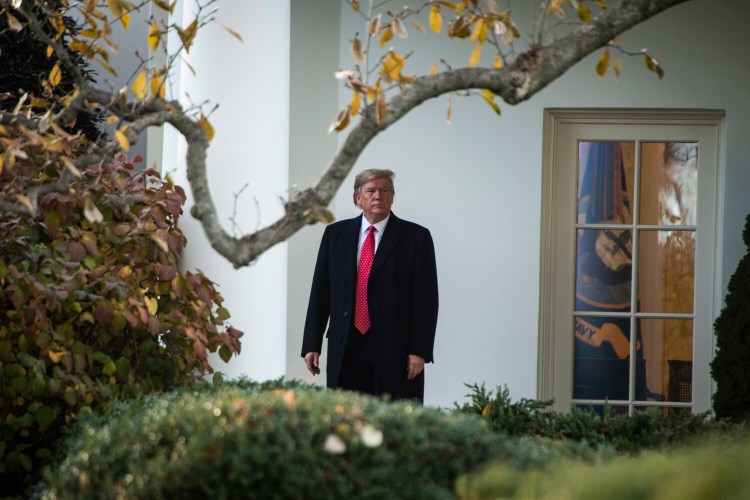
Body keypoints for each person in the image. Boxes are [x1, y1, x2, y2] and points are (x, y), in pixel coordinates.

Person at [301, 169, 439, 402]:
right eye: (371, 191)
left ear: (392, 197)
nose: (378, 196)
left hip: (395, 347)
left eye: (385, 190)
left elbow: (426, 300)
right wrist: (311, 343)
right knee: (345, 418)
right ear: (358, 198)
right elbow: (321, 292)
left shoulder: (416, 238)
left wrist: (419, 350)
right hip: (346, 344)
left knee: (395, 419)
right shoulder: (335, 235)